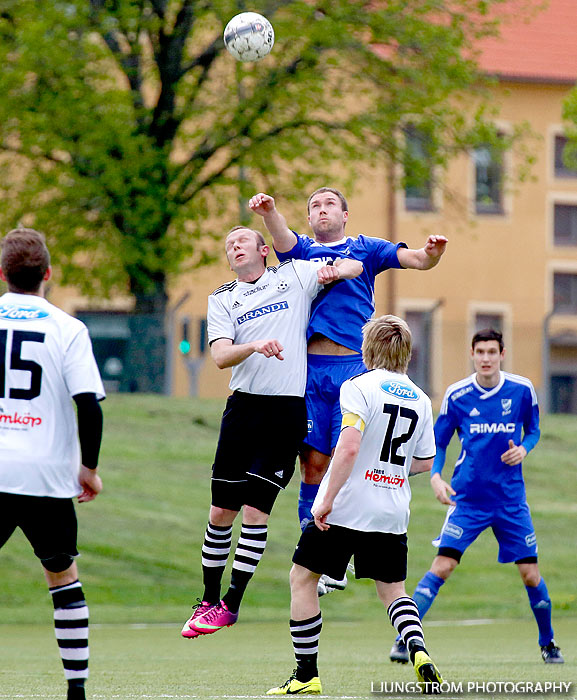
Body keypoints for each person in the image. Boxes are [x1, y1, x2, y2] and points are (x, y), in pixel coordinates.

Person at [249, 189, 447, 593]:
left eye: (329, 205)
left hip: (353, 371)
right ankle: (317, 555)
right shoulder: (302, 251)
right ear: (309, 217)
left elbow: (416, 260)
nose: (321, 211)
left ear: (345, 214)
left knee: (348, 457)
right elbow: (283, 238)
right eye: (314, 207)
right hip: (308, 371)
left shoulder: (366, 249)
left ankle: (342, 557)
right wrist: (269, 212)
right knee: (314, 465)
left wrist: (432, 254)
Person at [181, 225, 362, 639]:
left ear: (264, 250)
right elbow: (222, 356)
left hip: (285, 412)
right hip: (243, 408)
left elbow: (354, 266)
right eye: (228, 244)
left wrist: (335, 269)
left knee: (255, 512)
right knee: (220, 512)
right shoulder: (222, 298)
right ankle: (208, 600)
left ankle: (231, 604)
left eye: (241, 240)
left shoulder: (293, 275)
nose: (233, 246)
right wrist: (255, 345)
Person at [266, 315, 443, 695]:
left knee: (302, 578)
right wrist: (387, 470)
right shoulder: (423, 399)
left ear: (368, 349)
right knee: (394, 592)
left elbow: (347, 447)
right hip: (392, 510)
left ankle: (305, 674)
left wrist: (324, 501)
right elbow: (426, 461)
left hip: (347, 505)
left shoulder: (358, 386)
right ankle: (418, 649)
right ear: (406, 354)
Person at [389, 328, 564, 666]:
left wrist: (524, 450)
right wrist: (437, 476)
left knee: (530, 574)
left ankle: (548, 643)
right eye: (480, 352)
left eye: (491, 352)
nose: (485, 358)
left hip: (511, 500)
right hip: (467, 500)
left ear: (502, 354)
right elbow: (439, 444)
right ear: (472, 354)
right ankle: (404, 639)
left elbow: (535, 430)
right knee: (442, 566)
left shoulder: (523, 390)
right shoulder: (457, 395)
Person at [0, 229, 105, 700]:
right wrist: (88, 468)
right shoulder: (67, 328)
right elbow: (90, 404)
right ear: (48, 275)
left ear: (2, 274)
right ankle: (76, 691)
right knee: (62, 575)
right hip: (44, 474)